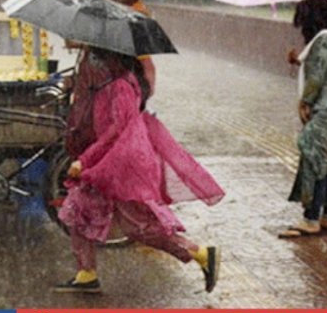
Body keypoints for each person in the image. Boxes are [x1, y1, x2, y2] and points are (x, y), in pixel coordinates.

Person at [55, 46, 224, 294]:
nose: (87, 67)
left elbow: (116, 132)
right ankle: (86, 273)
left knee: (139, 228)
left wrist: (85, 160)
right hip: (106, 162)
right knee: (79, 211)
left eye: (91, 62)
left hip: (124, 166)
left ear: (107, 61)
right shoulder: (104, 85)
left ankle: (199, 254)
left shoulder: (121, 87)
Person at [280, 0, 327, 238]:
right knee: (326, 161)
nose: (300, 27)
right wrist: (298, 60)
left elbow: (318, 75)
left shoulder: (324, 38)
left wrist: (305, 101)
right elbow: (317, 65)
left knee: (312, 156)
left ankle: (311, 218)